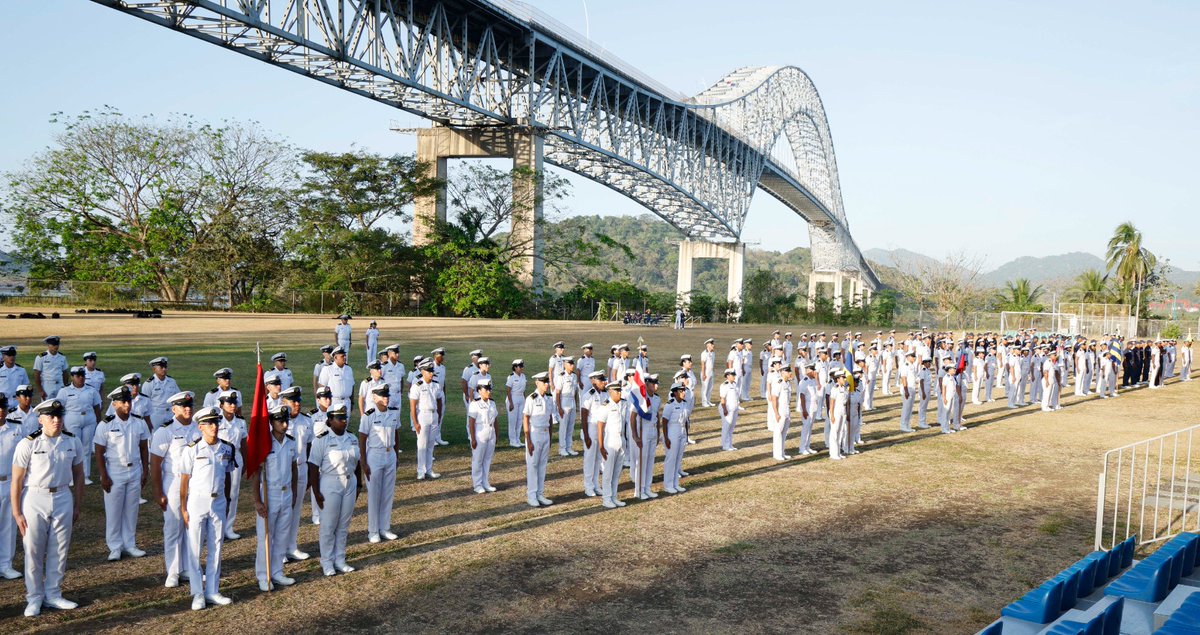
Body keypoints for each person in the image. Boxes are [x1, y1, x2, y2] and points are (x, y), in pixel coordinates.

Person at [10, 398, 85, 617]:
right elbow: (17, 480)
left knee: (59, 549)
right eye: (51, 416)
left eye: (59, 416)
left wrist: (77, 504)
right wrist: (17, 512)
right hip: (35, 497)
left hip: (62, 496)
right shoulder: (28, 443)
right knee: (33, 550)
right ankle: (34, 597)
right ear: (40, 419)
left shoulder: (72, 441)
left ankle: (53, 594)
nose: (56, 420)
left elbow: (79, 474)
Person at [179, 406, 237, 610]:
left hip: (218, 502)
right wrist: (183, 508)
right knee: (195, 549)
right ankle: (197, 593)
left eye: (216, 422)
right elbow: (184, 480)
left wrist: (227, 500)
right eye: (209, 423)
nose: (214, 426)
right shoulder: (192, 449)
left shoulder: (227, 448)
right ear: (200, 427)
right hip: (197, 502)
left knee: (216, 547)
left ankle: (212, 590)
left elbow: (227, 475)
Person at [94, 386, 149, 561]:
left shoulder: (139, 422)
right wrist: (103, 475)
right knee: (114, 511)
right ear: (115, 404)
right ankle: (115, 546)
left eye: (129, 401)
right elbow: (99, 452)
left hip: (135, 470)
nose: (127, 405)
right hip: (115, 471)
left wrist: (145, 470)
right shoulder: (106, 425)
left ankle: (130, 544)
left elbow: (143, 448)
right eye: (123, 402)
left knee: (131, 510)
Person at [150, 390, 198, 588]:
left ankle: (188, 568)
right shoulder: (165, 431)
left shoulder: (198, 427)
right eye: (183, 406)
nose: (187, 409)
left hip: (195, 483)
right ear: (174, 409)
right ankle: (173, 571)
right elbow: (155, 463)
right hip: (174, 483)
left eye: (190, 405)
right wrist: (158, 492)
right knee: (173, 527)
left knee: (192, 527)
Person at [308, 403, 361, 577]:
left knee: (343, 525)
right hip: (330, 483)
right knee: (329, 525)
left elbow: (357, 462)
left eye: (345, 417)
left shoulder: (352, 438)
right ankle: (327, 561)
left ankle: (340, 559)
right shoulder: (321, 440)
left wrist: (359, 484)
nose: (343, 421)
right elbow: (313, 467)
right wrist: (316, 492)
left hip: (350, 483)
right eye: (339, 418)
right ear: (330, 420)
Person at [253, 404, 298, 590]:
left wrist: (294, 492)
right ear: (271, 422)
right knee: (266, 536)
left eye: (286, 421)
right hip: (269, 493)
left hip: (286, 493)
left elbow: (294, 468)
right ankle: (264, 575)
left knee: (282, 535)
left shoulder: (291, 442)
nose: (285, 424)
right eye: (280, 421)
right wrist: (258, 500)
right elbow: (256, 474)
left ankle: (277, 571)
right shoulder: (265, 443)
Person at [358, 384, 400, 543]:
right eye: (382, 395)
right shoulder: (368, 415)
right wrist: (363, 461)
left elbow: (396, 434)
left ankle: (385, 528)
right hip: (375, 455)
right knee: (374, 495)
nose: (386, 398)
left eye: (387, 395)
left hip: (390, 454)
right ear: (374, 398)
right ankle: (373, 531)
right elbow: (362, 438)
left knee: (387, 493)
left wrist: (396, 455)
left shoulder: (394, 413)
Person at [56, 367, 102, 484]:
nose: (81, 378)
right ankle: (71, 476)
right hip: (72, 419)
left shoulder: (91, 390)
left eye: (82, 375)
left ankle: (85, 475)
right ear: (72, 377)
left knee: (86, 448)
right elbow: (59, 408)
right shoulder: (64, 391)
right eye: (78, 376)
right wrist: (61, 424)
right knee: (73, 447)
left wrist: (98, 423)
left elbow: (97, 407)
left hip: (89, 419)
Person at [0, 395, 24, 579]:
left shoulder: (17, 428)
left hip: (10, 482)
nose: (1, 411)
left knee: (8, 525)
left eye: (3, 407)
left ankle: (5, 565)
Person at [523, 372, 554, 507]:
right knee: (533, 465)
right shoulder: (531, 398)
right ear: (537, 383)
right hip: (534, 434)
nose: (546, 384)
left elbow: (550, 418)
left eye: (547, 382)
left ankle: (540, 494)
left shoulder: (549, 398)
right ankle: (531, 495)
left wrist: (550, 437)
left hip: (545, 434)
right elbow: (525, 418)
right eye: (544, 382)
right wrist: (528, 440)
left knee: (542, 465)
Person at [408, 360, 442, 480]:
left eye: (432, 371)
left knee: (430, 445)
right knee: (422, 445)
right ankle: (420, 471)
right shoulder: (417, 386)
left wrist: (439, 415)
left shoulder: (436, 384)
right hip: (423, 415)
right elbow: (412, 406)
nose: (431, 374)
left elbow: (439, 400)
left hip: (434, 415)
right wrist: (415, 423)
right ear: (422, 371)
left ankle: (429, 469)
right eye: (428, 371)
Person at [598, 381, 628, 507]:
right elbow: (600, 426)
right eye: (617, 391)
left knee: (617, 472)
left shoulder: (624, 404)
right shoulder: (605, 406)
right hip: (610, 442)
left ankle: (614, 497)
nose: (619, 393)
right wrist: (601, 446)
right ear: (610, 392)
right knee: (608, 472)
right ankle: (606, 499)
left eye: (620, 390)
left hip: (621, 440)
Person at [467, 380, 499, 494]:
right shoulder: (474, 404)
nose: (489, 392)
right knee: (478, 460)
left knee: (487, 460)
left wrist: (497, 434)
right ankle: (477, 485)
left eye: (490, 389)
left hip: (491, 432)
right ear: (479, 391)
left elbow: (495, 420)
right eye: (486, 389)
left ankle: (485, 483)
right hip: (480, 433)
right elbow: (471, 423)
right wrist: (473, 438)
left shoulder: (492, 403)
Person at [579, 370, 607, 497]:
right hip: (591, 428)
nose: (604, 382)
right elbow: (584, 417)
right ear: (594, 381)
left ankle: (596, 484)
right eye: (601, 380)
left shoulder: (605, 394)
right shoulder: (588, 395)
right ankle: (588, 486)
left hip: (601, 429)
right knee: (590, 459)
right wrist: (586, 436)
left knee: (598, 458)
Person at [632, 375, 661, 500]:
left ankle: (647, 488)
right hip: (643, 430)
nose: (656, 386)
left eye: (657, 383)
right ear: (647, 384)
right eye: (653, 383)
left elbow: (657, 415)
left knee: (650, 461)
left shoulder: (657, 398)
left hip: (653, 430)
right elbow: (633, 417)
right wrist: (635, 435)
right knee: (642, 462)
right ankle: (639, 490)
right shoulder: (641, 398)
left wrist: (658, 433)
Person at [660, 383, 689, 494]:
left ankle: (675, 483)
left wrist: (686, 435)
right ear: (675, 392)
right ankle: (668, 485)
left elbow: (686, 420)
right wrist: (666, 438)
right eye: (681, 391)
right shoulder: (670, 405)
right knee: (671, 458)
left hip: (682, 431)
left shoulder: (684, 403)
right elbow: (664, 421)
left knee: (678, 458)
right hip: (672, 431)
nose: (684, 393)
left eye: (684, 390)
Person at [144, 357, 180, 427]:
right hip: (156, 415)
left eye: (165, 367)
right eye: (161, 367)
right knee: (155, 433)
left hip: (170, 413)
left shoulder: (172, 381)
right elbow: (145, 402)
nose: (164, 369)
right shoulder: (149, 383)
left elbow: (177, 397)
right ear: (154, 369)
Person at [319, 346, 356, 416]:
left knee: (345, 422)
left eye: (345, 355)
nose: (345, 357)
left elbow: (352, 386)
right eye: (342, 356)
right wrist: (324, 404)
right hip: (334, 402)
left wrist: (352, 402)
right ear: (335, 357)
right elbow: (322, 387)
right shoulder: (328, 369)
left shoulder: (349, 369)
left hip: (347, 402)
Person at [555, 357, 578, 457]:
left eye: (573, 364)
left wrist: (576, 404)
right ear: (565, 365)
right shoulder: (561, 376)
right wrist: (559, 407)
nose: (572, 366)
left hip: (572, 401)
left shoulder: (574, 376)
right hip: (564, 401)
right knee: (563, 427)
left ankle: (569, 447)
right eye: (570, 364)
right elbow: (558, 393)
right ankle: (562, 448)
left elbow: (575, 391)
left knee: (570, 427)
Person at [768, 364, 793, 461]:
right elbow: (774, 398)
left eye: (789, 371)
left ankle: (782, 452)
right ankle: (777, 454)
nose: (790, 373)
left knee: (784, 433)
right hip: (780, 410)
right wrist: (776, 413)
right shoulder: (779, 383)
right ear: (782, 372)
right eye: (788, 371)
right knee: (778, 432)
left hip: (786, 410)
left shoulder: (787, 383)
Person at [32, 336, 68, 401]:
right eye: (53, 345)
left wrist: (65, 387)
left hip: (60, 385)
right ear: (48, 345)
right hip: (47, 386)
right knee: (47, 405)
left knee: (61, 404)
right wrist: (40, 390)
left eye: (57, 344)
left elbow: (65, 373)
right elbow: (37, 374)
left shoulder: (62, 357)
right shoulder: (41, 357)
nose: (56, 347)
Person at [826, 371, 850, 461]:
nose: (844, 379)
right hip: (836, 411)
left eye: (844, 377)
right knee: (834, 432)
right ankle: (833, 453)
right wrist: (832, 415)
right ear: (838, 379)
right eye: (843, 378)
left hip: (843, 410)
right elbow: (832, 403)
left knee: (840, 432)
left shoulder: (845, 388)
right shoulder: (834, 389)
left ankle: (838, 452)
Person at [796, 363, 819, 456]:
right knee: (806, 428)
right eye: (814, 370)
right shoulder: (804, 381)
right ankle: (802, 448)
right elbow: (802, 396)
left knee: (810, 428)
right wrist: (804, 410)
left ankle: (807, 446)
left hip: (813, 407)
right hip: (807, 408)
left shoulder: (812, 380)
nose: (815, 372)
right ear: (810, 371)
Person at [505, 360, 527, 448]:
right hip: (513, 398)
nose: (522, 368)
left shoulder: (523, 376)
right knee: (512, 421)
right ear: (515, 367)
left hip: (521, 398)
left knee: (519, 420)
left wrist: (524, 400)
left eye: (522, 366)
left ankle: (517, 439)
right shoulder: (511, 377)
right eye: (520, 366)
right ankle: (512, 441)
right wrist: (510, 403)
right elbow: (508, 390)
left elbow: (523, 390)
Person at [718, 368, 739, 451]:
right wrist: (724, 409)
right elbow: (722, 398)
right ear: (727, 376)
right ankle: (725, 445)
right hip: (727, 408)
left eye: (734, 375)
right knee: (726, 426)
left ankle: (730, 444)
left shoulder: (734, 384)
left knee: (731, 427)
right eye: (732, 375)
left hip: (734, 408)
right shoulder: (724, 385)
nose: (734, 376)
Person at [899, 353, 917, 433]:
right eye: (913, 357)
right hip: (907, 388)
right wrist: (906, 390)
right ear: (908, 357)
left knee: (910, 408)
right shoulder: (905, 366)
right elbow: (904, 378)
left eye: (914, 356)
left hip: (912, 388)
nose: (914, 358)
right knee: (906, 408)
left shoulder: (912, 365)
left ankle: (907, 425)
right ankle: (903, 425)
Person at [699, 338, 716, 408]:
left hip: (711, 372)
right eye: (711, 344)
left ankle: (708, 401)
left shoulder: (713, 353)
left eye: (713, 344)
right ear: (707, 345)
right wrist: (703, 374)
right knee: (705, 388)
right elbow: (703, 364)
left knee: (710, 387)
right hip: (705, 372)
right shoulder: (704, 353)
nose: (713, 345)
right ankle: (704, 402)